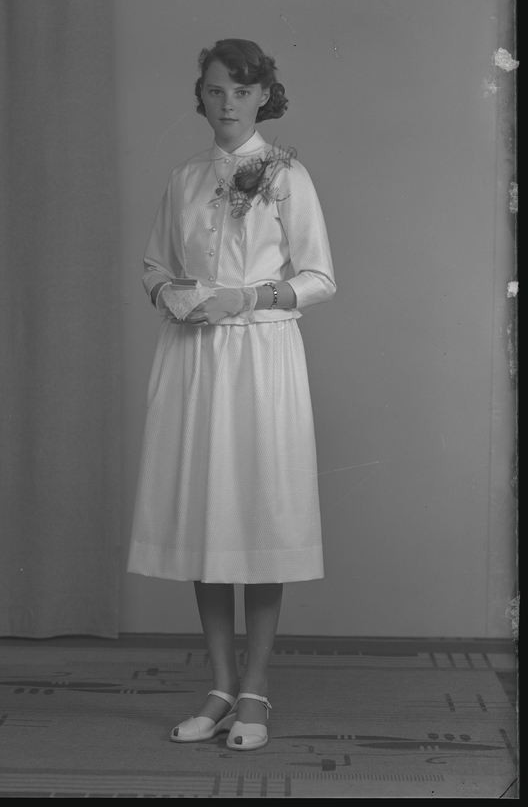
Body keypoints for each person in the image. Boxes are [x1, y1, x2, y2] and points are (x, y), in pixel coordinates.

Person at [126, 39, 335, 751]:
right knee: (208, 521)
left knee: (258, 522)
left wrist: (247, 296)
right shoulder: (184, 177)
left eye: (241, 93)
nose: (227, 104)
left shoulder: (286, 175)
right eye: (215, 91)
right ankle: (218, 687)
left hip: (261, 358)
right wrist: (170, 295)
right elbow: (155, 264)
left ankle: (255, 690)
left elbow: (319, 277)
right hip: (194, 358)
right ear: (202, 94)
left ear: (263, 97)